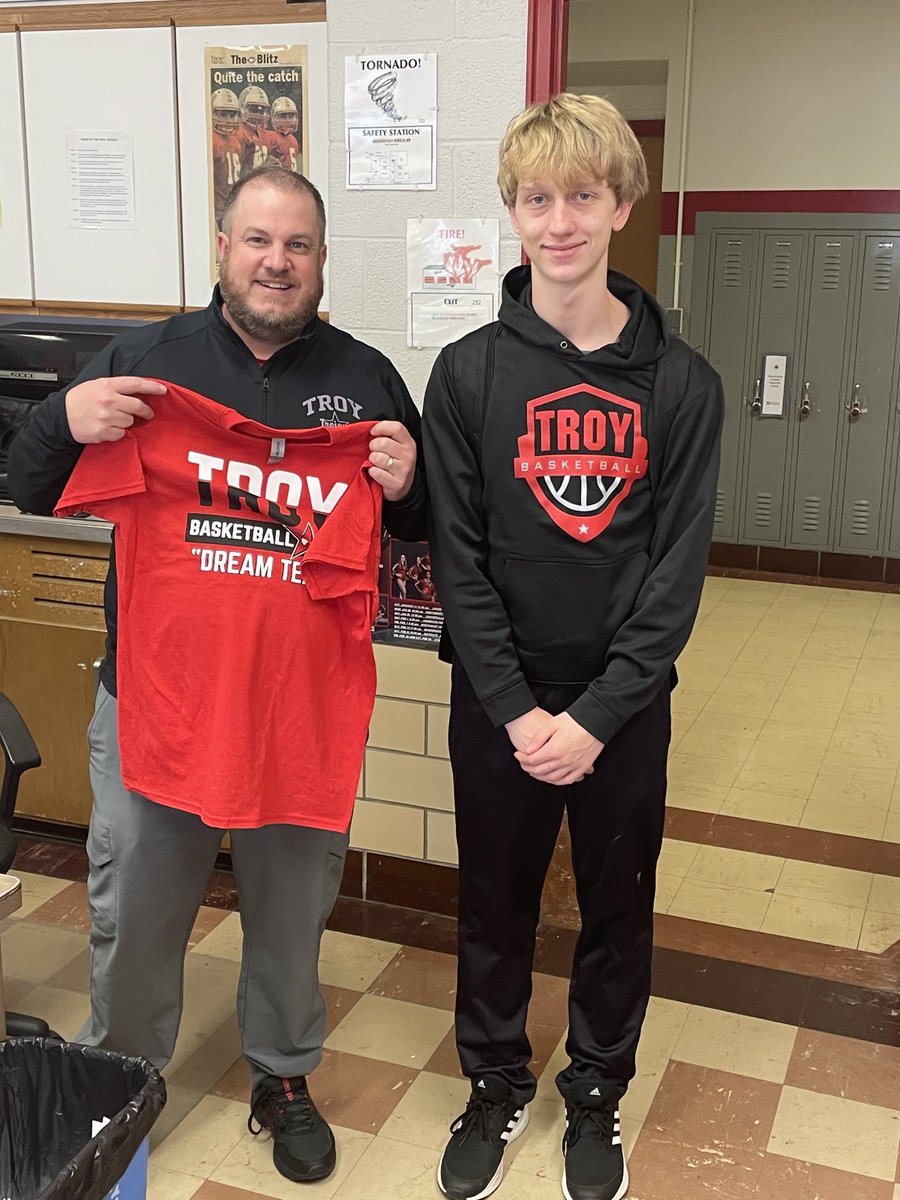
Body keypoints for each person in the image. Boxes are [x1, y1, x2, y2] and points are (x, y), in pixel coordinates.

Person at [8, 162, 425, 1188]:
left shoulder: (367, 378)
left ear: (322, 261)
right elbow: (24, 478)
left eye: (298, 245)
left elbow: (417, 537)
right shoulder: (145, 365)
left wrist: (410, 488)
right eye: (258, 241)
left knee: (292, 907)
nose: (276, 262)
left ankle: (282, 1075)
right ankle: (124, 1080)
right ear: (222, 248)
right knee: (138, 908)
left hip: (301, 710)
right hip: (160, 703)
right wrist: (66, 421)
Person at [422, 93, 723, 1200]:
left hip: (623, 711)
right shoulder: (467, 376)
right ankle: (495, 1084)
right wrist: (516, 709)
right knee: (492, 902)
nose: (560, 221)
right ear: (511, 210)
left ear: (621, 206)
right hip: (499, 703)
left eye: (582, 197)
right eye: (538, 198)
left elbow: (673, 576)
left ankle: (594, 1094)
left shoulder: (684, 386)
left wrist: (596, 716)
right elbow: (461, 561)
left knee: (617, 904)